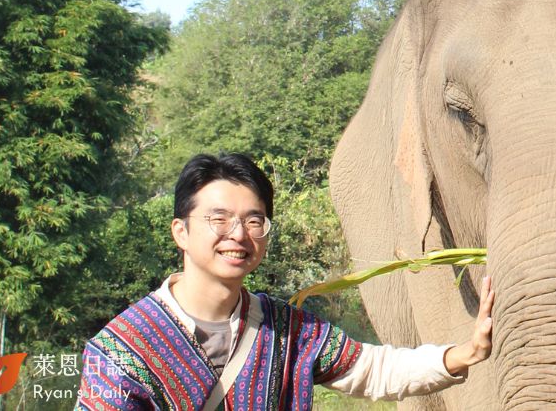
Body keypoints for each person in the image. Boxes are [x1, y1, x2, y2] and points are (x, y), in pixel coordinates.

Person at [77, 153, 494, 410]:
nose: (238, 235)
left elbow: (372, 370)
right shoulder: (124, 348)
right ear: (180, 231)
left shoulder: (287, 330)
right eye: (219, 219)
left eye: (253, 220)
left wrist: (465, 352)